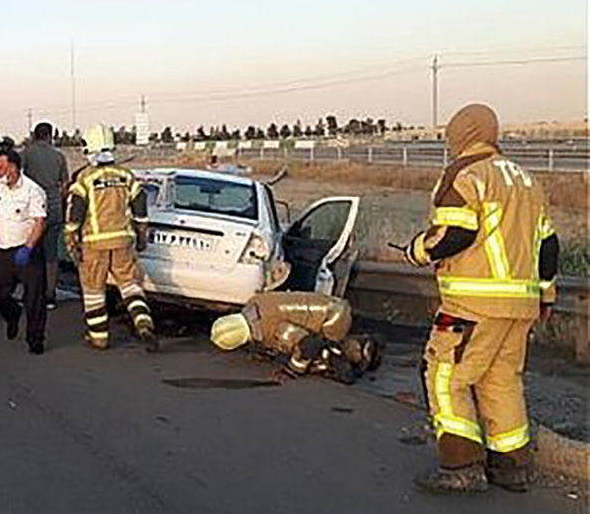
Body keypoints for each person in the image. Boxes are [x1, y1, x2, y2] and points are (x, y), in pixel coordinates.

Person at [403, 103, 560, 494]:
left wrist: (418, 250)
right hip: (520, 307)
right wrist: (546, 294)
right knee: (502, 382)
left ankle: (462, 466)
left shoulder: (464, 174)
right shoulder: (526, 180)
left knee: (445, 377)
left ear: (461, 134)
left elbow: (457, 234)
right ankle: (512, 467)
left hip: (471, 305)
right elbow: (549, 245)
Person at [64, 124, 158, 352]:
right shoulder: (126, 176)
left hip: (94, 243)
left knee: (94, 291)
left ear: (89, 148)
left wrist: (71, 239)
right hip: (123, 241)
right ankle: (143, 323)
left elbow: (75, 212)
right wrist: (141, 235)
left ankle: (99, 337)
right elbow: (140, 207)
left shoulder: (85, 178)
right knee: (130, 285)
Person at [209, 292, 383, 383]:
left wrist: (292, 370)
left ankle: (361, 350)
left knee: (323, 356)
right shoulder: (255, 303)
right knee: (314, 348)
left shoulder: (274, 328)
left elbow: (308, 345)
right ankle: (358, 346)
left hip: (333, 317)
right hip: (330, 304)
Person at [0, 148, 48, 354]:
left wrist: (28, 248)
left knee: (34, 298)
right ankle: (12, 313)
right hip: (2, 249)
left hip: (26, 249)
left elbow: (40, 221)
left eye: (0, 167)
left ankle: (35, 339)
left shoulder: (33, 190)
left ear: (13, 168)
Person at [22, 121, 70, 310]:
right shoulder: (59, 157)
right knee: (51, 255)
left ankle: (32, 293)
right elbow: (65, 186)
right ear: (50, 135)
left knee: (32, 252)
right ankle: (50, 294)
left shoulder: (26, 154)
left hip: (32, 210)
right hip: (54, 208)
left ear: (34, 135)